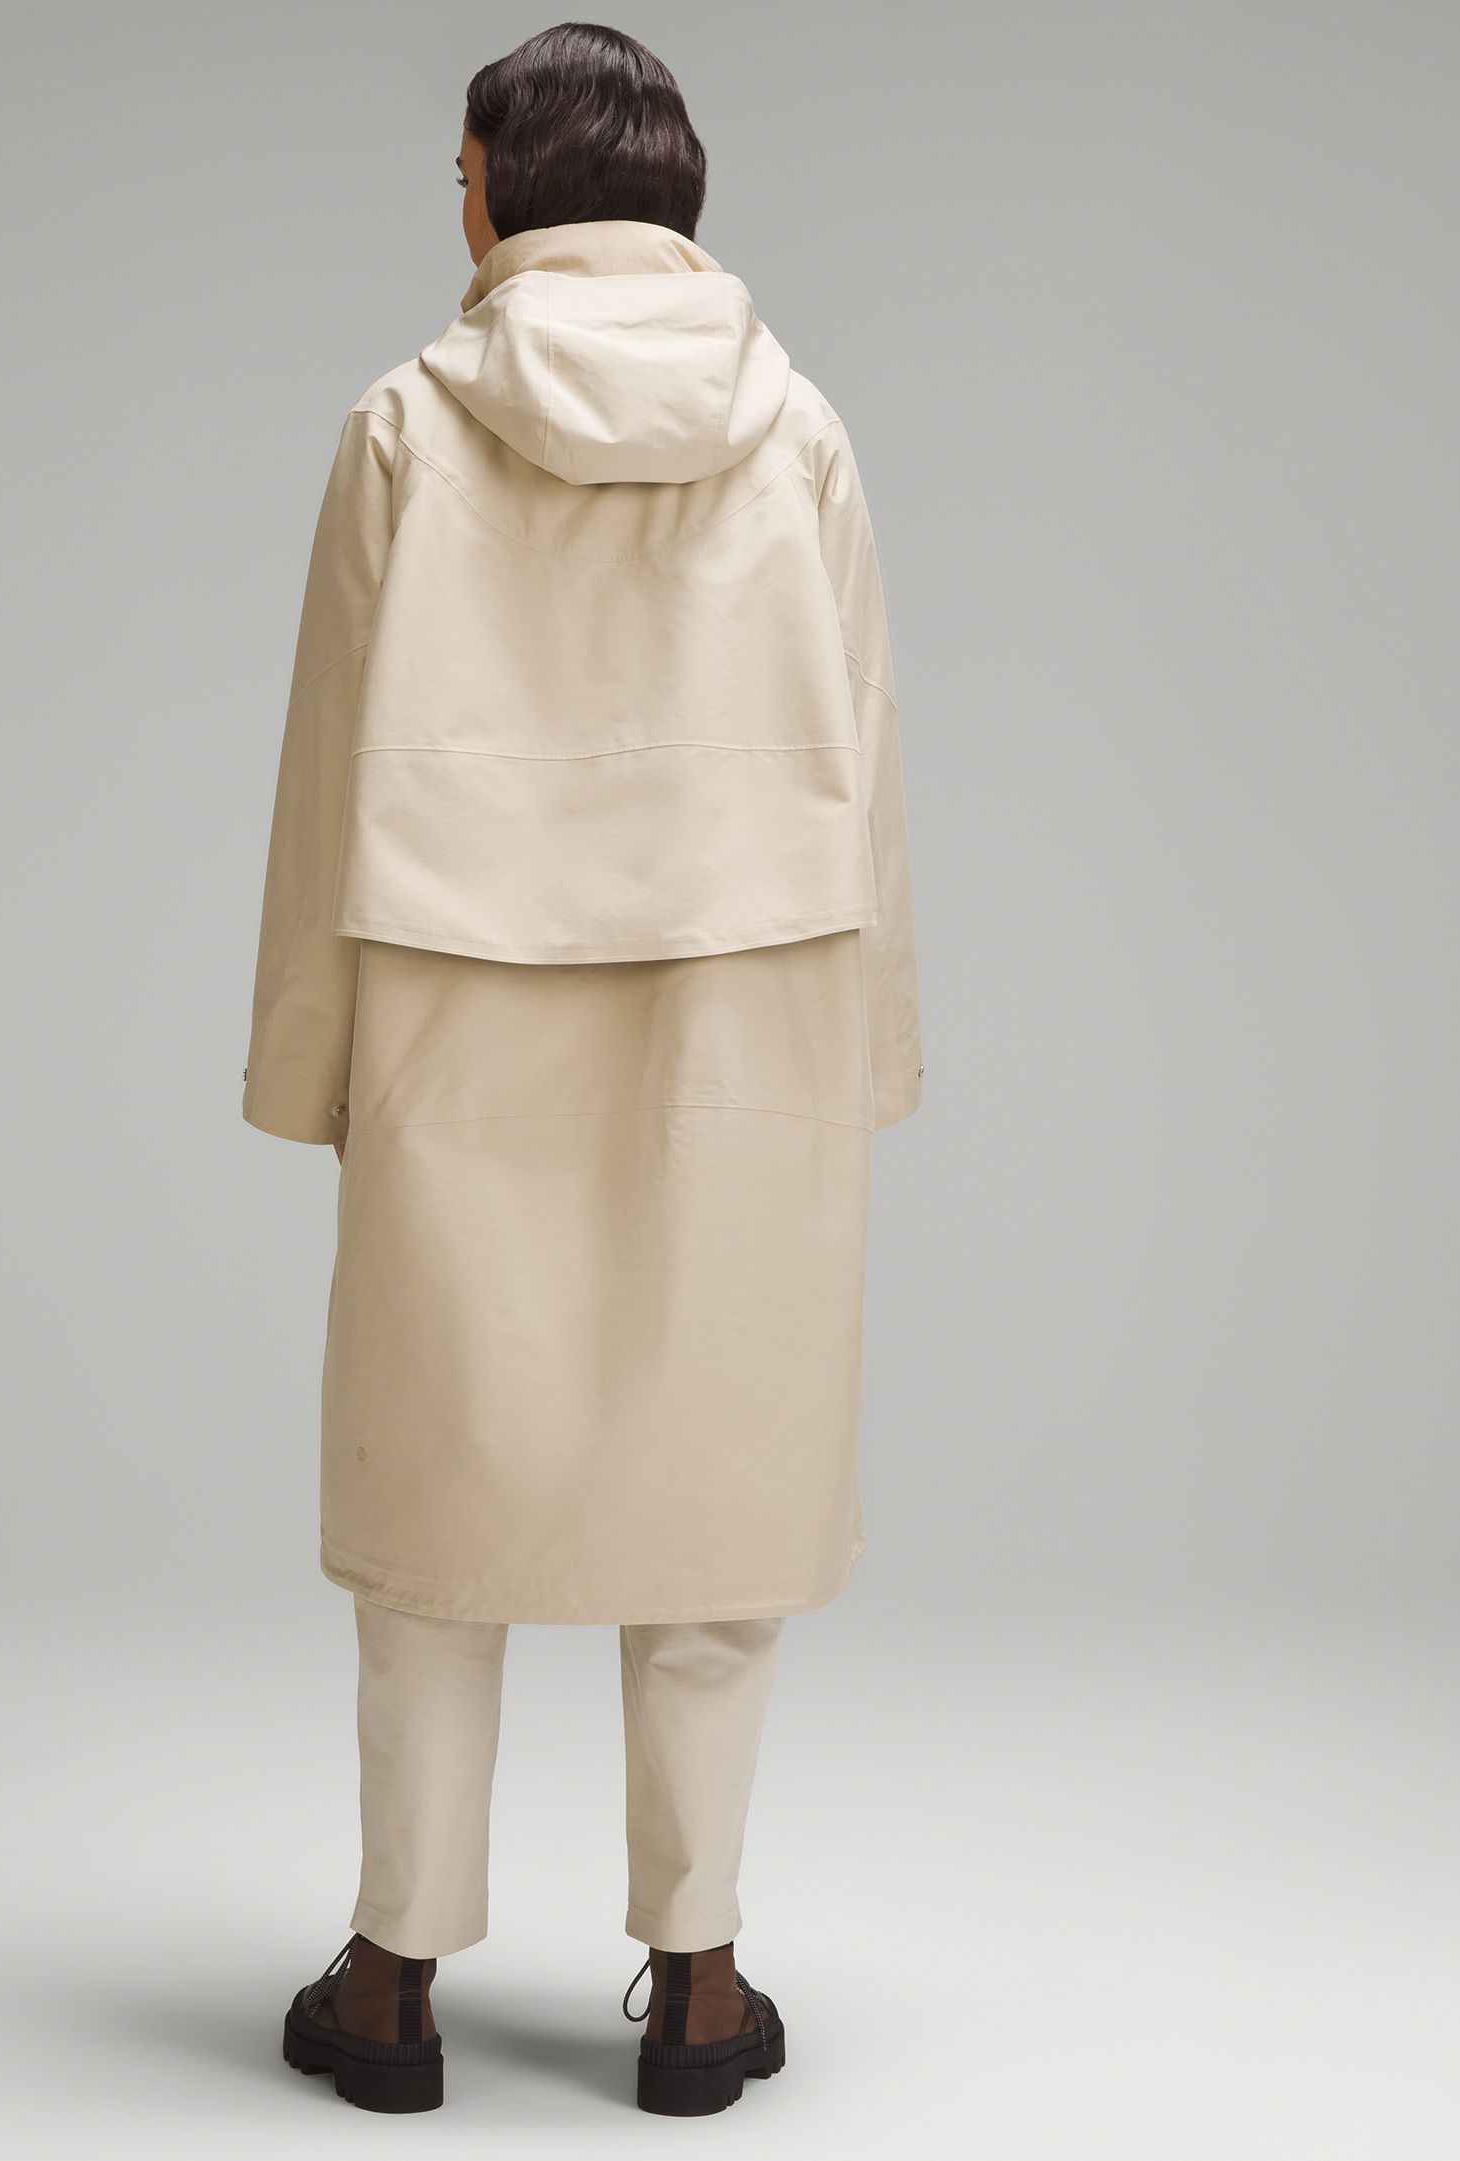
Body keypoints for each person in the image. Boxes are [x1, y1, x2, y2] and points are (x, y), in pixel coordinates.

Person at [243, 20, 921, 2117]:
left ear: (512, 186)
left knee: (436, 1493)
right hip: (748, 1012)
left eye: (458, 169)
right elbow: (870, 766)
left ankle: (392, 1978)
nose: (448, 201)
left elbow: (328, 777)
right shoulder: (799, 429)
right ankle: (698, 1981)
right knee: (715, 1490)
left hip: (463, 1010)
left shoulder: (401, 426)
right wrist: (874, 1054)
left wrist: (306, 1062)